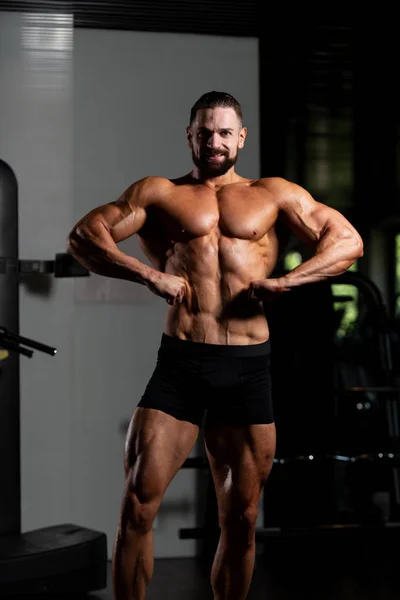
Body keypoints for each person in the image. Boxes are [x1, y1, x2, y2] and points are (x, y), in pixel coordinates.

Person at [66, 91, 364, 600]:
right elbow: (84, 236)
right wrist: (146, 276)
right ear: (189, 136)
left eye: (225, 132)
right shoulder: (159, 193)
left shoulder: (273, 194)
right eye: (204, 131)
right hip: (181, 362)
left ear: (241, 137)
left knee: (242, 518)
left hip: (247, 368)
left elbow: (348, 242)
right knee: (137, 504)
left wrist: (289, 282)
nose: (214, 141)